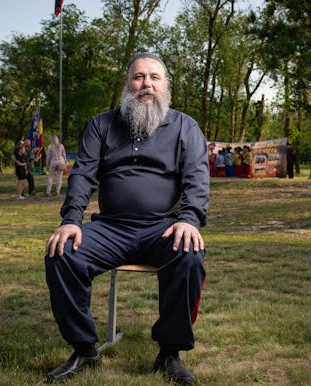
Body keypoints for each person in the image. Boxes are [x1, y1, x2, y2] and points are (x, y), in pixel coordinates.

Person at [44, 52, 209, 385]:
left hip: (162, 227)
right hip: (109, 228)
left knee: (189, 257)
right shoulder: (101, 124)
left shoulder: (184, 127)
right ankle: (84, 349)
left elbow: (197, 177)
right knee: (61, 252)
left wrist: (190, 219)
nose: (145, 84)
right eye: (138, 77)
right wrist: (71, 220)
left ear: (166, 85)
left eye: (154, 77)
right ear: (127, 83)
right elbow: (83, 175)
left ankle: (169, 353)